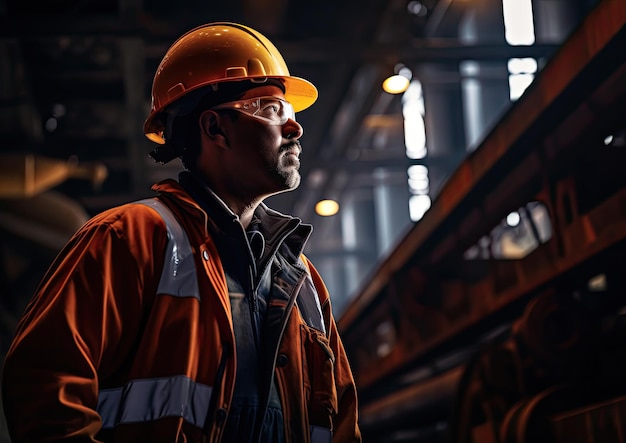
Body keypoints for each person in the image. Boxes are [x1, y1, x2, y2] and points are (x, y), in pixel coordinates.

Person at [2, 22, 361, 443]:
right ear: (215, 128)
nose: (295, 128)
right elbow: (45, 388)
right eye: (270, 108)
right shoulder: (129, 238)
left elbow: (339, 424)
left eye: (293, 114)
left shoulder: (303, 280)